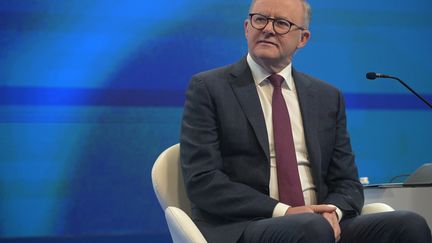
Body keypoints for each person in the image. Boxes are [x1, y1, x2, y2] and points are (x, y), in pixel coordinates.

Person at [180, 0, 431, 242]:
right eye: (260, 20)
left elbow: (347, 182)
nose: (267, 29)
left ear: (303, 39)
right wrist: (284, 212)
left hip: (319, 224)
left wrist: (333, 212)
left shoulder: (326, 97)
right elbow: (203, 180)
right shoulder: (210, 88)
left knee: (409, 224)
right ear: (247, 28)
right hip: (248, 225)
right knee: (310, 228)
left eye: (281, 23)